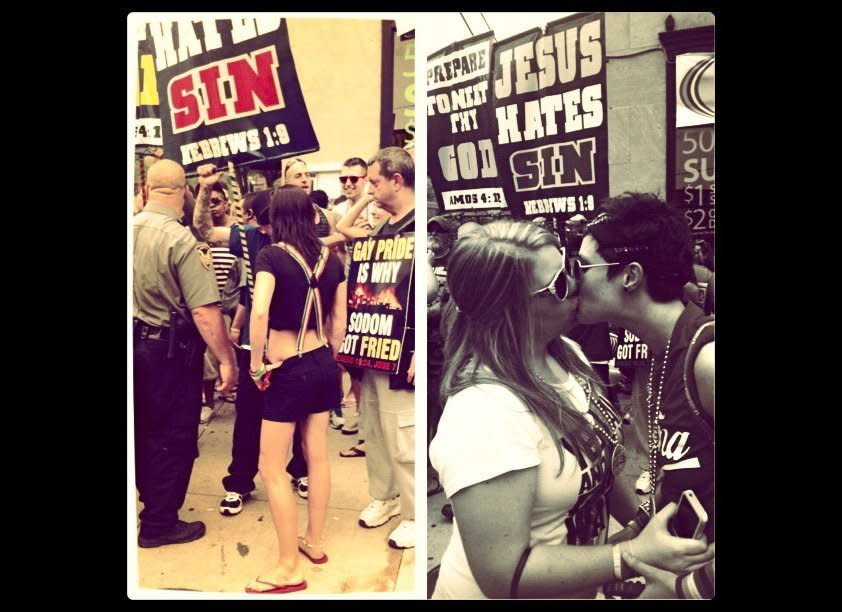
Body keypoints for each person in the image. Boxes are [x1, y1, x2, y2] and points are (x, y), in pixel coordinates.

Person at [428, 219, 713, 599]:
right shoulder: (484, 412)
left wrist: (643, 529)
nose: (577, 286)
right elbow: (500, 575)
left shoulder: (568, 356)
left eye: (570, 269)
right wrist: (626, 555)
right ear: (510, 309)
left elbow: (598, 474)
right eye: (560, 284)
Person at [573, 192, 715, 598]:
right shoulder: (662, 353)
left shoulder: (705, 360)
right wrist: (635, 536)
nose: (574, 278)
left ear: (630, 276)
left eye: (583, 266)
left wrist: (687, 588)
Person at [245, 186, 347, 594]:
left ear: (276, 217)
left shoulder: (270, 256)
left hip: (287, 368)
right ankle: (314, 543)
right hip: (324, 362)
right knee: (317, 455)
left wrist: (256, 365)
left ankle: (288, 566)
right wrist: (332, 359)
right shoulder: (331, 258)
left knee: (272, 467)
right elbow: (340, 318)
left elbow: (259, 309)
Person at [133, 159, 237, 548]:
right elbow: (204, 311)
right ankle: (160, 523)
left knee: (140, 429)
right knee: (172, 434)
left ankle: (149, 500)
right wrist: (226, 360)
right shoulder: (180, 240)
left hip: (136, 343)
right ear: (181, 193)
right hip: (168, 353)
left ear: (147, 190)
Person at [354, 147, 417, 550]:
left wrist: (417, 351)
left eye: (375, 181)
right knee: (375, 429)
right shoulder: (382, 228)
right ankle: (386, 495)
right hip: (373, 344)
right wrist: (366, 196)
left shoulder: (419, 227)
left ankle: (412, 513)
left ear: (398, 180)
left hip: (402, 348)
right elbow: (344, 231)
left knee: (402, 436)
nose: (369, 189)